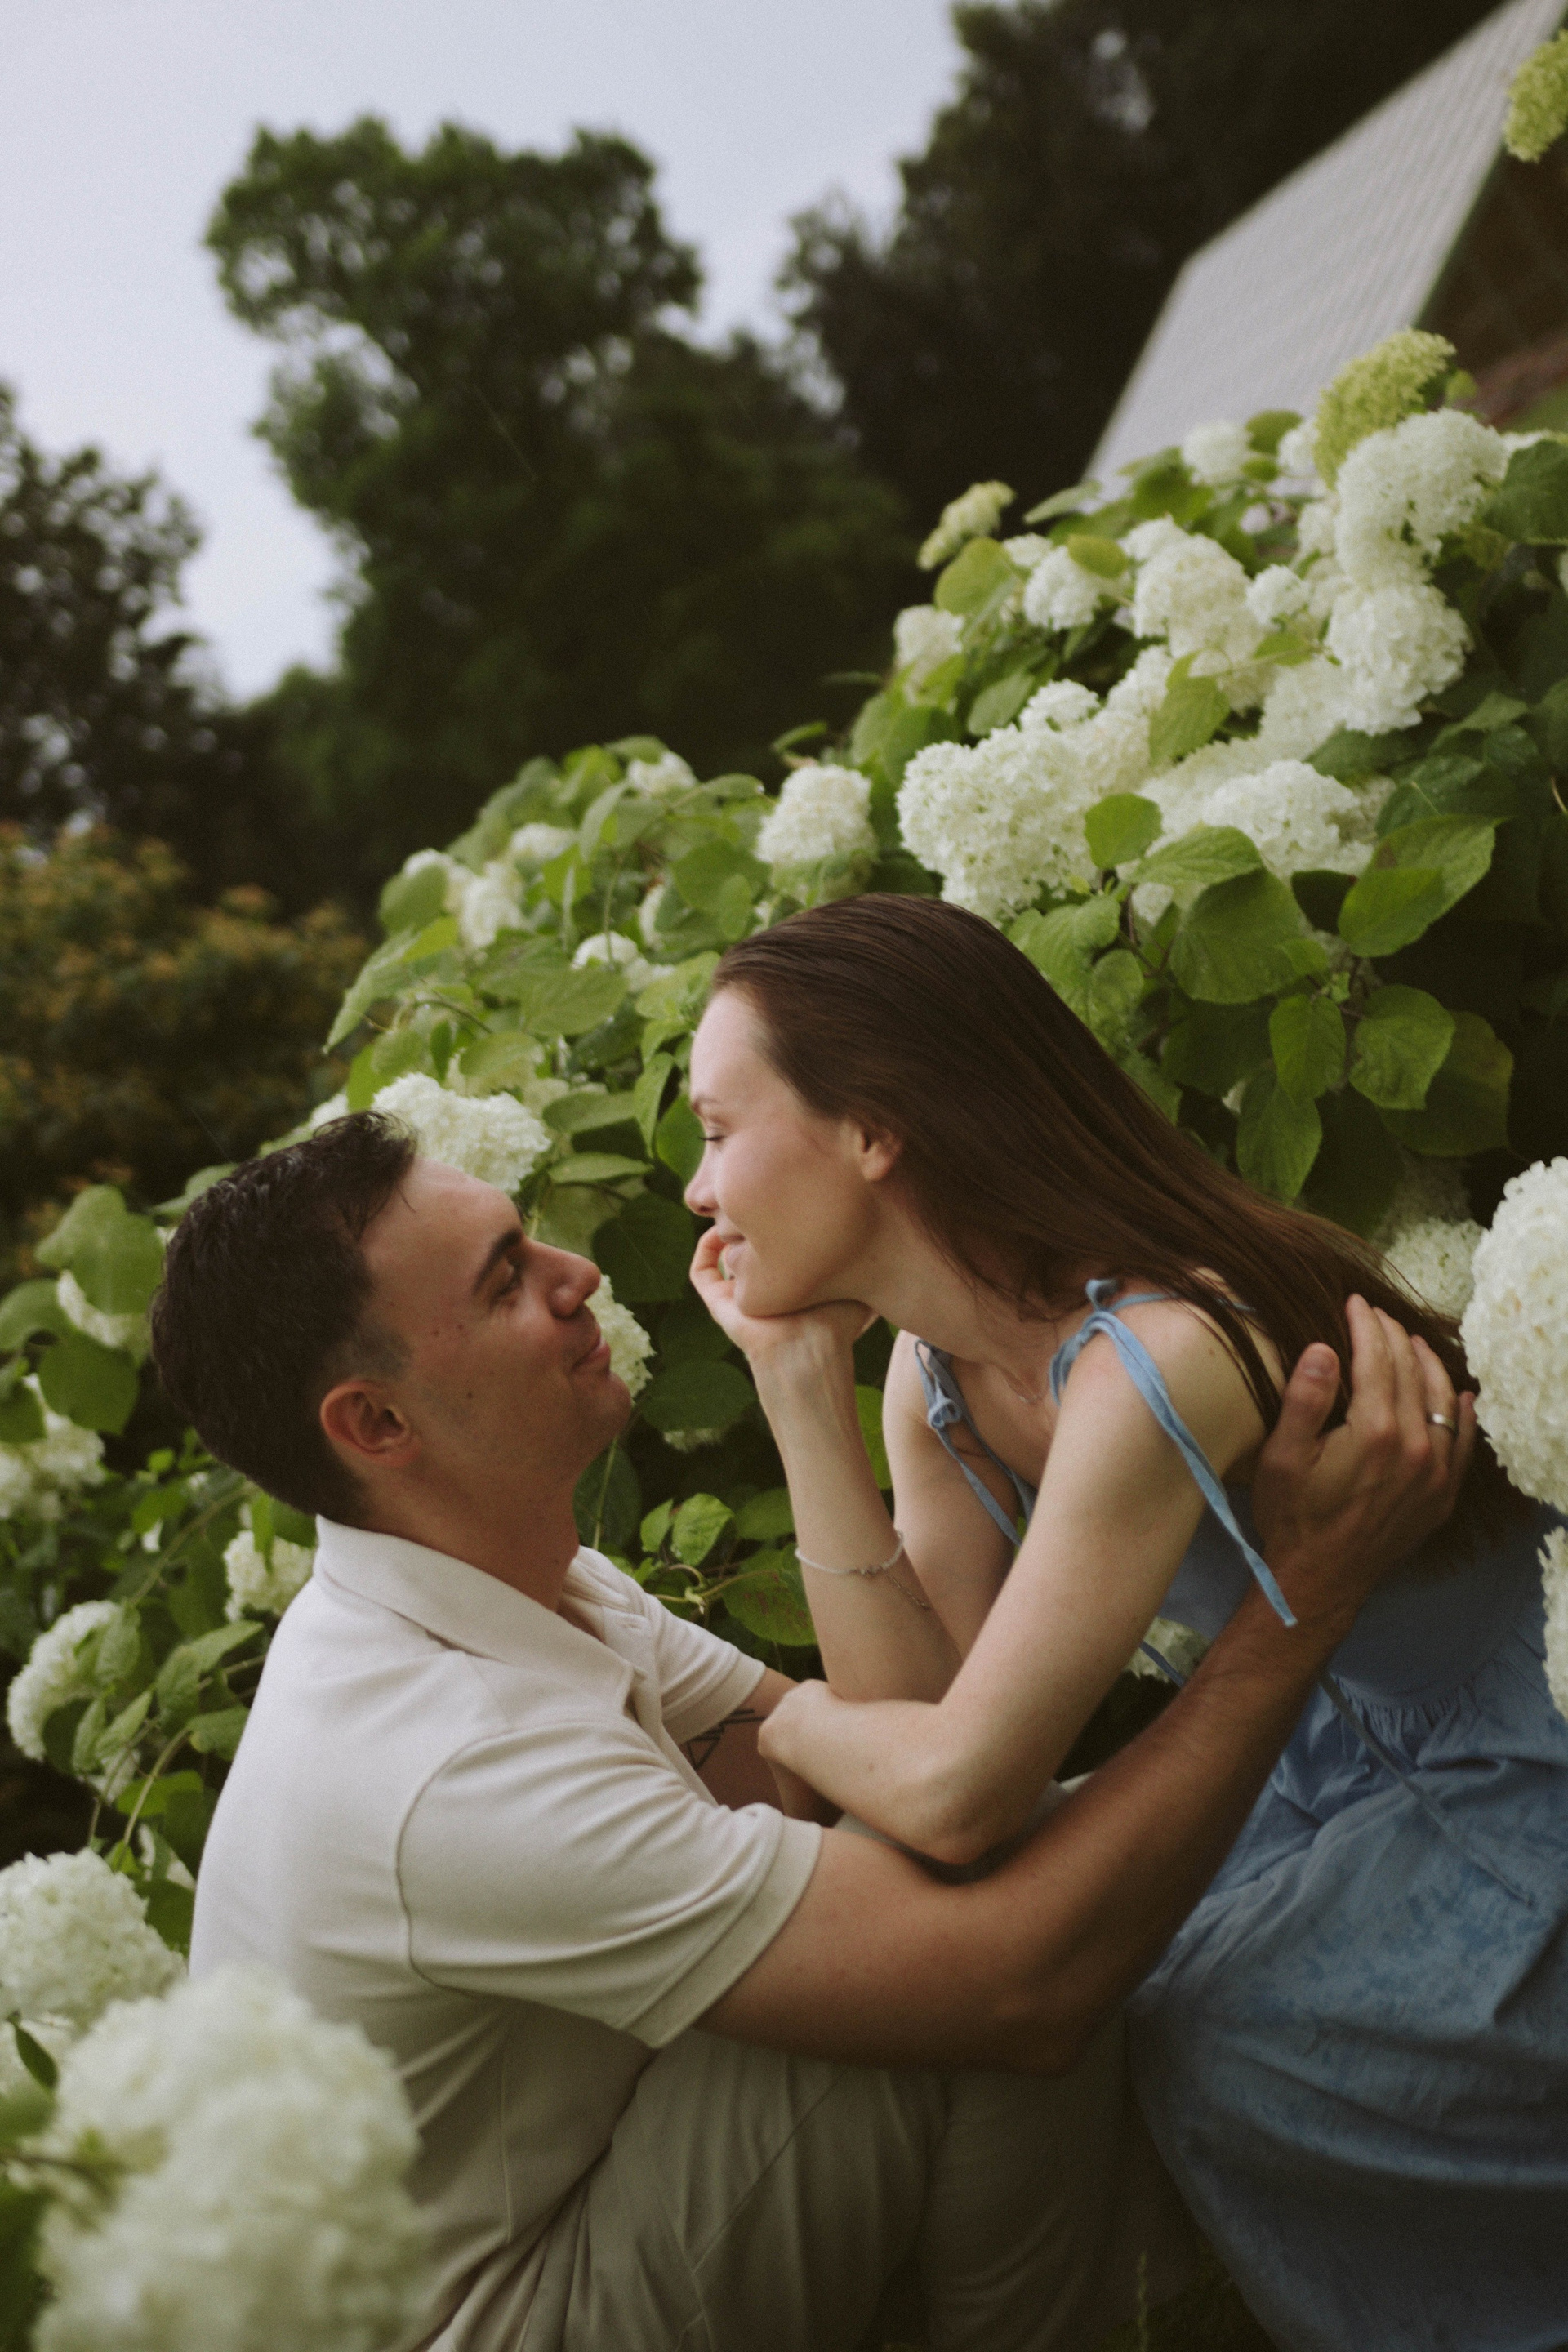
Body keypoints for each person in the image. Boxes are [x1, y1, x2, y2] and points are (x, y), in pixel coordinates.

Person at [155, 1109, 1459, 2352]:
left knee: (956, 1880)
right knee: (955, 1983)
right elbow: (1019, 1974)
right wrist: (1303, 1599)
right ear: (376, 1424)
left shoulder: (517, 1589)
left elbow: (925, 1768)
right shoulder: (449, 1762)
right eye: (506, 1281)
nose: (579, 1272)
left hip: (558, 2214)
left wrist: (797, 1381)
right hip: (492, 2319)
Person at [682, 893, 1568, 2352]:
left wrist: (783, 1718)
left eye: (721, 1130)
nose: (698, 1190)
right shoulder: (940, 1376)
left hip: (1515, 1763)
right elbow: (929, 1758)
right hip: (1322, 1768)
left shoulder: (1152, 1353)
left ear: (874, 1128)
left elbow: (958, 1791)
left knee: (1210, 2028)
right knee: (1101, 1972)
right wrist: (796, 1390)